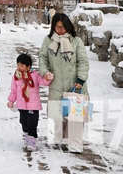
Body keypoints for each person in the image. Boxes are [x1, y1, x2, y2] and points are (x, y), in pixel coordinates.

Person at [40, 12, 90, 153]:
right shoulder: (48, 41)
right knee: (58, 115)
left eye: (63, 27)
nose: (60, 30)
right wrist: (45, 72)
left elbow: (83, 62)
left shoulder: (76, 41)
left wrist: (80, 79)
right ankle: (58, 140)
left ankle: (74, 144)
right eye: (57, 27)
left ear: (68, 26)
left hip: (75, 84)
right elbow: (43, 58)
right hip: (56, 83)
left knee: (75, 116)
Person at [7, 53, 52, 150]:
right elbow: (14, 91)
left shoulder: (35, 75)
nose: (19, 67)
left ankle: (32, 142)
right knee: (23, 122)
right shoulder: (16, 77)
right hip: (21, 105)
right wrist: (11, 101)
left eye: (22, 65)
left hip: (33, 105)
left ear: (28, 67)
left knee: (32, 123)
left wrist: (47, 78)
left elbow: (43, 82)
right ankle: (27, 136)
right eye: (18, 65)